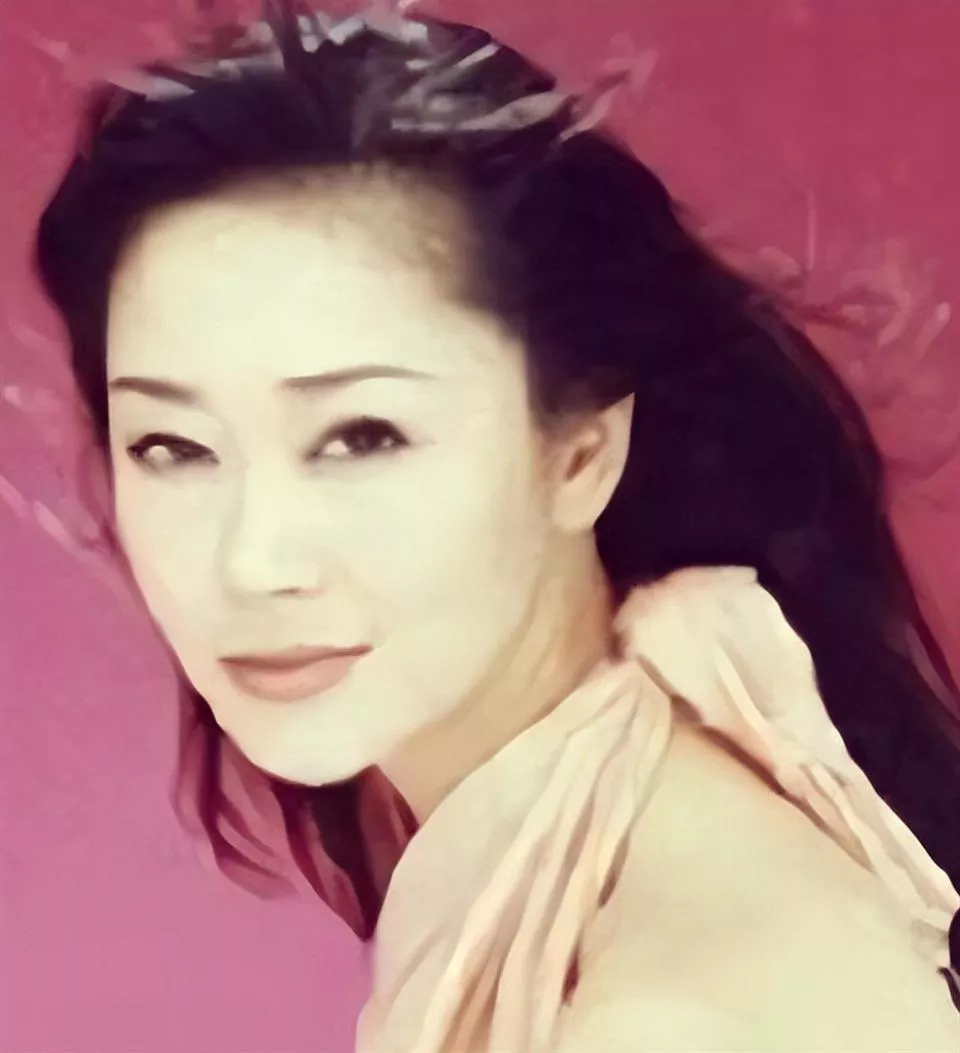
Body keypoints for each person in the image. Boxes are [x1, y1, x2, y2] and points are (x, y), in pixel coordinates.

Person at [34, 2, 960, 1049]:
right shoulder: (557, 850)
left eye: (363, 436)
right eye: (172, 446)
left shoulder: (676, 1013)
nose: (252, 561)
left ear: (580, 455)